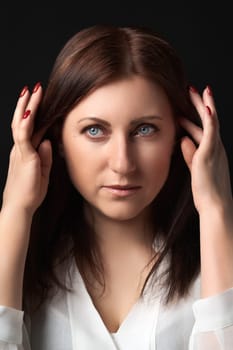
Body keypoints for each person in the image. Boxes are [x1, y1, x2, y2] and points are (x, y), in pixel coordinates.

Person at [0, 23, 232, 350]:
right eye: (95, 130)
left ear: (181, 138)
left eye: (145, 130)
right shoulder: (22, 268)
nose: (122, 163)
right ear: (58, 140)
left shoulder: (217, 259)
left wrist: (216, 212)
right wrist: (14, 212)